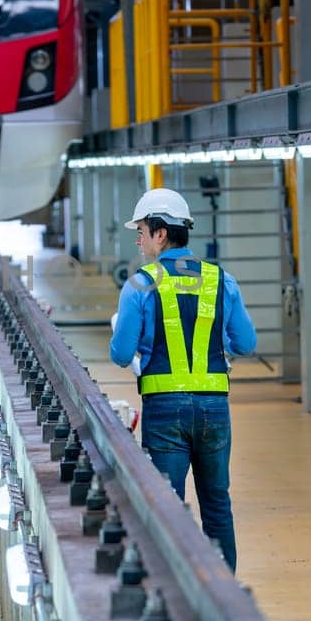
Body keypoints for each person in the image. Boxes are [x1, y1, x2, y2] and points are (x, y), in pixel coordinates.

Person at [108, 187, 256, 570]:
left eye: (140, 230)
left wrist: (133, 337)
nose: (138, 239)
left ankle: (175, 590)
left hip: (165, 412)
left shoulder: (141, 283)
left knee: (168, 508)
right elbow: (246, 342)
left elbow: (121, 354)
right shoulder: (221, 281)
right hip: (214, 410)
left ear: (161, 233)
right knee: (217, 504)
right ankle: (226, 595)